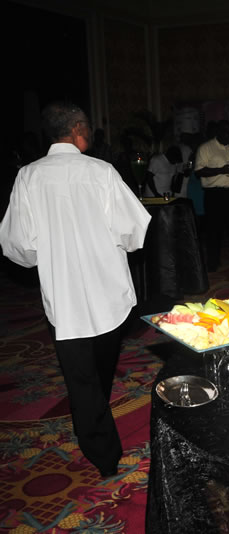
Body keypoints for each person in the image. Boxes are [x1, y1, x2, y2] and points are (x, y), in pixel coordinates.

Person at [0, 101, 151, 478]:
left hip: (64, 298)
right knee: (100, 370)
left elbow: (17, 245)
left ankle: (100, 450)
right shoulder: (101, 171)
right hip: (108, 294)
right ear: (79, 129)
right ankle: (103, 445)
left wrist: (48, 254)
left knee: (82, 380)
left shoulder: (28, 177)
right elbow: (134, 231)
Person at [194, 120, 229, 271]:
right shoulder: (206, 148)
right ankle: (212, 262)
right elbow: (198, 172)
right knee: (214, 230)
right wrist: (220, 170)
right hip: (214, 194)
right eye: (226, 132)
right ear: (218, 132)